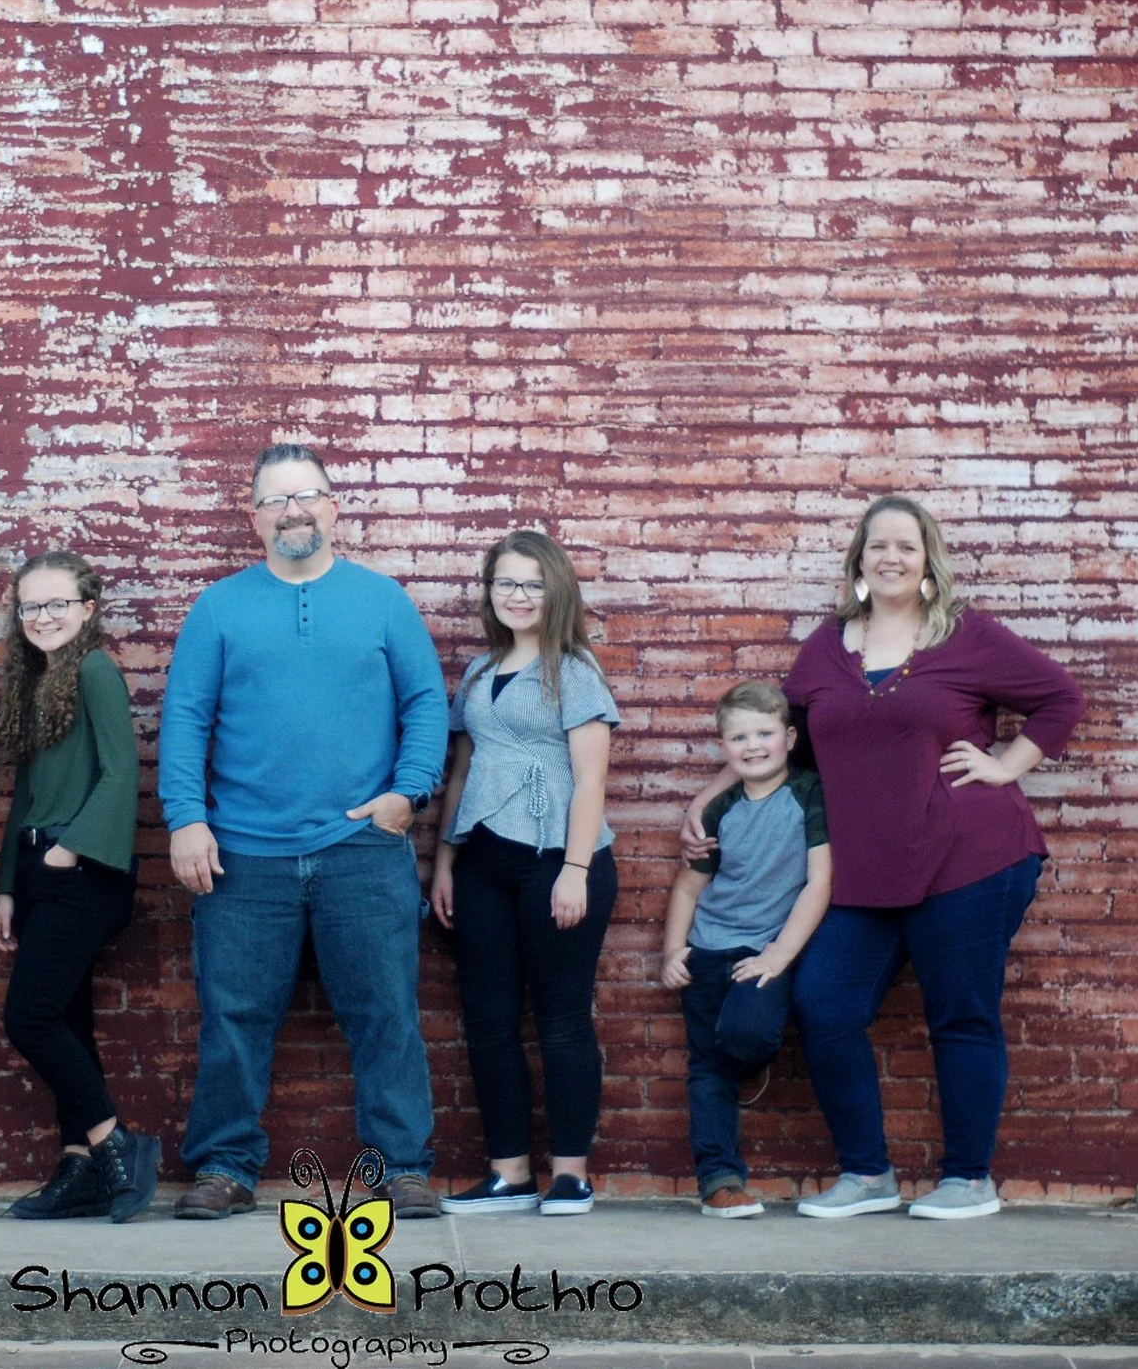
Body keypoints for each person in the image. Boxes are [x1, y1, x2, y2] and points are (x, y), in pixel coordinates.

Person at [683, 495, 1084, 1220]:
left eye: (906, 545)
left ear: (928, 560)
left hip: (969, 856)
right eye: (877, 547)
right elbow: (786, 732)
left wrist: (1006, 766)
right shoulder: (829, 646)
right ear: (858, 562)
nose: (891, 557)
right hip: (864, 872)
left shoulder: (967, 636)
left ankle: (969, 1179)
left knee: (960, 1013)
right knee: (824, 1003)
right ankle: (867, 1175)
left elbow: (1060, 698)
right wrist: (711, 797)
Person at [159, 443, 449, 1221]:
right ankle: (223, 1165)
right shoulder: (219, 608)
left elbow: (426, 703)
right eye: (277, 499)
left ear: (334, 506)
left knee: (386, 1010)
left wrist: (407, 794)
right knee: (234, 1017)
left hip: (363, 846)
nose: (294, 511)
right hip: (243, 851)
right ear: (254, 517)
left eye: (308, 495)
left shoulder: (383, 600)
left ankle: (402, 1168)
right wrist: (186, 819)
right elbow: (184, 719)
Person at [428, 530, 621, 1217]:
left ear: (557, 592)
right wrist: (446, 862)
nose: (517, 595)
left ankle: (570, 1174)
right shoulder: (480, 674)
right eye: (504, 582)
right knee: (487, 1018)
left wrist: (573, 870)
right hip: (484, 860)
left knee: (562, 1017)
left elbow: (591, 780)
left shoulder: (574, 672)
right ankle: (508, 1174)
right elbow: (460, 772)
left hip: (558, 860)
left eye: (532, 584)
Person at [0, 551, 161, 1224]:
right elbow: (26, 791)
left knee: (28, 1017)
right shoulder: (37, 681)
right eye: (31, 606)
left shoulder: (93, 670)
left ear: (88, 609)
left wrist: (67, 852)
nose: (44, 616)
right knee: (64, 1020)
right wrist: (9, 885)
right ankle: (82, 1167)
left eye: (58, 603)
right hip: (41, 868)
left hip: (83, 869)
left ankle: (114, 1144)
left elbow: (123, 774)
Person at [659, 680, 832, 1218]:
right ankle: (719, 1181)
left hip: (766, 951)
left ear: (789, 736)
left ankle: (749, 1061)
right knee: (706, 1068)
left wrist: (781, 954)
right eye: (739, 737)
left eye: (764, 733)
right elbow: (689, 886)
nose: (753, 746)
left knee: (746, 1033)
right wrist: (673, 951)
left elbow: (820, 880)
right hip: (709, 948)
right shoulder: (718, 811)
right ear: (724, 748)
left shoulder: (808, 794)